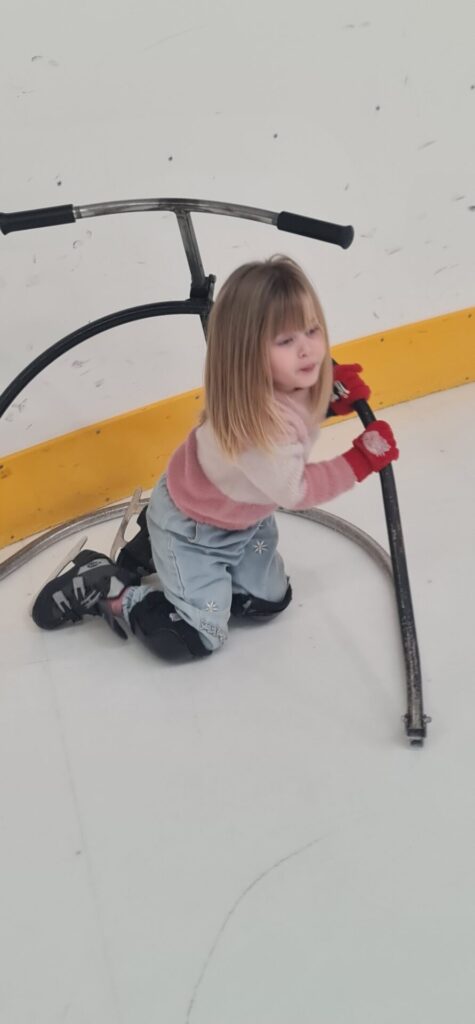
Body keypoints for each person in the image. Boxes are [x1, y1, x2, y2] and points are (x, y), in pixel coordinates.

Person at [32, 256, 399, 660]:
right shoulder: (255, 432)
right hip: (194, 532)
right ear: (247, 355)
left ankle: (155, 554)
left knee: (269, 602)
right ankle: (110, 589)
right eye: (285, 341)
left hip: (240, 518)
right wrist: (360, 461)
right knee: (195, 636)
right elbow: (296, 490)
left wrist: (326, 398)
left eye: (312, 330)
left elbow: (292, 414)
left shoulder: (272, 384)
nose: (307, 349)